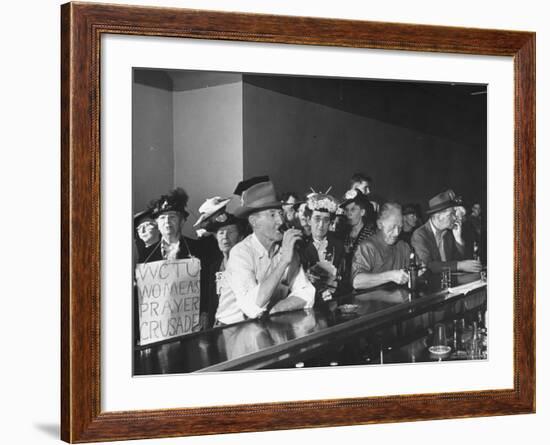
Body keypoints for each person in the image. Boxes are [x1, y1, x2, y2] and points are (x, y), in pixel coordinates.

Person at [215, 179, 315, 325]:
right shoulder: (240, 253)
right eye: (272, 214)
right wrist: (283, 262)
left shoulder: (284, 249)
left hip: (265, 324)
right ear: (254, 222)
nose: (281, 221)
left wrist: (278, 308)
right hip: (230, 329)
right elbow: (252, 307)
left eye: (280, 213)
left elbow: (306, 293)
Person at [194, 196, 245, 328]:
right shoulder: (214, 266)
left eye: (231, 232)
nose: (225, 237)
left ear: (240, 237)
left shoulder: (246, 264)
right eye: (221, 233)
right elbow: (211, 301)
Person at [411, 190, 481, 273]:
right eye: (452, 214)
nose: (455, 218)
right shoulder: (420, 235)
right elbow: (428, 265)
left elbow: (461, 261)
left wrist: (458, 239)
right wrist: (459, 265)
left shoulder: (449, 233)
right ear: (439, 216)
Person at [352, 202, 411, 289]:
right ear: (380, 224)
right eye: (392, 227)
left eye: (400, 227)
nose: (396, 233)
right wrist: (390, 276)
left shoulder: (403, 246)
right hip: (371, 301)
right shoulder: (367, 247)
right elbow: (356, 281)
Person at [300, 192, 345, 301]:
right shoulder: (300, 246)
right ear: (308, 220)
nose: (321, 225)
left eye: (326, 220)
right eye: (317, 219)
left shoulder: (338, 246)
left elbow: (345, 279)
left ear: (330, 223)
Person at [144, 188, 201, 262]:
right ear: (157, 223)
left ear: (182, 221)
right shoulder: (146, 254)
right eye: (162, 218)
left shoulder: (198, 248)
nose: (167, 221)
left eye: (172, 217)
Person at [340, 188, 376, 290]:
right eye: (346, 210)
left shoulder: (371, 234)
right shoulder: (343, 234)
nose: (348, 214)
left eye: (353, 209)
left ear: (362, 212)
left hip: (364, 286)